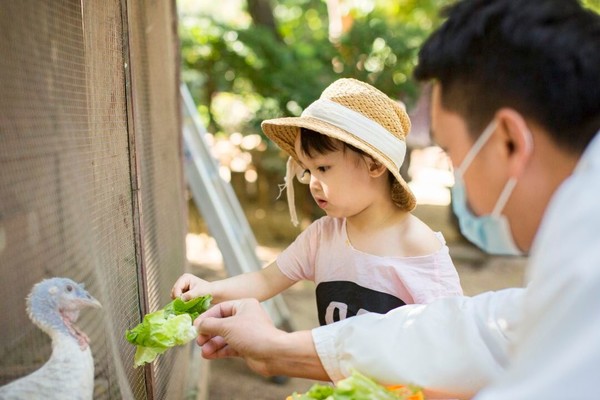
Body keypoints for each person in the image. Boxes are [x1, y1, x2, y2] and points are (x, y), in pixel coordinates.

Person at [190, 0, 600, 398]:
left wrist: (279, 349)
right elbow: (465, 334)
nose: (458, 180)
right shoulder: (575, 263)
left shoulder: (584, 276)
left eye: (452, 154)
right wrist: (277, 348)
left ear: (509, 142)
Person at [172, 78, 462, 327]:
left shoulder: (419, 248)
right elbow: (264, 281)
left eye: (323, 168)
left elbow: (452, 335)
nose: (312, 181)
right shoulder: (322, 236)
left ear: (374, 166)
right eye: (308, 170)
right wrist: (208, 290)